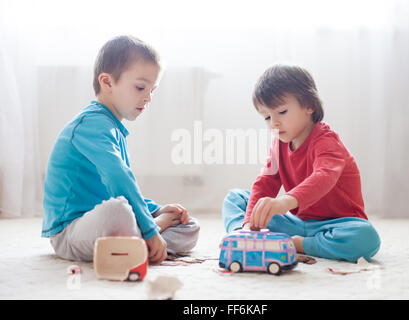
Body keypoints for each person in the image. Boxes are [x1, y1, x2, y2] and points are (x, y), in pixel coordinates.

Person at [42, 35, 199, 263]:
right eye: (140, 87)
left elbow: (120, 188)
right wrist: (153, 226)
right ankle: (145, 238)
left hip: (108, 226)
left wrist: (157, 209)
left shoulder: (113, 128)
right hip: (71, 232)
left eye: (153, 90)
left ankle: (137, 245)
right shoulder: (90, 125)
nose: (148, 97)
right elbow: (120, 181)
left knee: (190, 226)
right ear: (107, 83)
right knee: (118, 211)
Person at [222, 64, 380, 262]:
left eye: (282, 112)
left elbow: (324, 176)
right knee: (235, 198)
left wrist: (284, 202)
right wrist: (248, 224)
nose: (274, 123)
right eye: (267, 117)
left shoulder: (326, 141)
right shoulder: (279, 143)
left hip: (337, 225)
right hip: (298, 222)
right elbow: (265, 182)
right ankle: (244, 237)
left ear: (309, 106)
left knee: (366, 238)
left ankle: (298, 244)